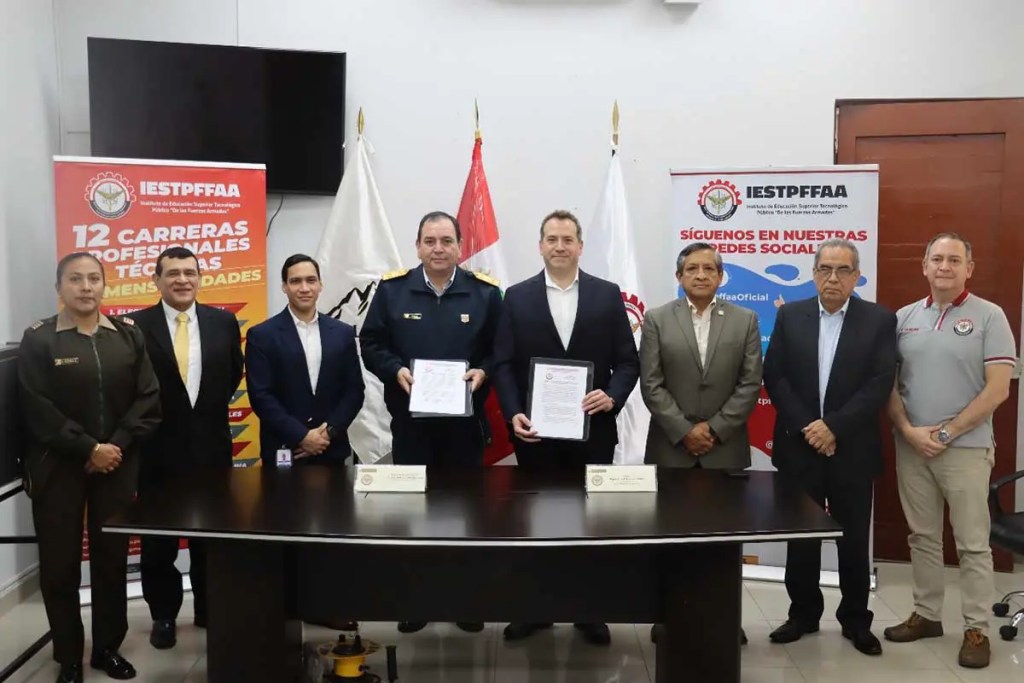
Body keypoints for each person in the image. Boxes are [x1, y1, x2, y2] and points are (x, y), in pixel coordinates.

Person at [493, 209, 640, 646]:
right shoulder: (516, 297)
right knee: (536, 522)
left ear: (580, 246)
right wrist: (513, 411)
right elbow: (502, 363)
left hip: (592, 430)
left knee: (589, 523)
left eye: (567, 239)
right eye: (551, 239)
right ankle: (534, 610)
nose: (559, 246)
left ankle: (588, 611)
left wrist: (612, 395)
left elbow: (629, 361)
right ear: (540, 245)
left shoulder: (607, 294)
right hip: (534, 433)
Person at [19, 253, 161, 682]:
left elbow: (148, 398)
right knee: (60, 564)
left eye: (94, 279)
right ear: (59, 287)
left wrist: (114, 446)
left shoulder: (127, 336)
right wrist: (87, 448)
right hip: (57, 466)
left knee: (111, 559)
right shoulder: (40, 340)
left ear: (105, 285)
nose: (86, 287)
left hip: (116, 463)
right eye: (76, 279)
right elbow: (36, 407)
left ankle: (106, 648)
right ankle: (69, 656)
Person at [359, 211, 502, 634]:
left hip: (464, 427)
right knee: (413, 512)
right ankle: (416, 600)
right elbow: (370, 342)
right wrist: (394, 370)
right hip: (412, 425)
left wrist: (484, 372)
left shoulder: (485, 293)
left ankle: (465, 601)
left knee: (465, 511)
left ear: (460, 246)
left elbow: (502, 348)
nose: (438, 248)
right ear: (417, 246)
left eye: (446, 240)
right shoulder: (392, 290)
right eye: (429, 241)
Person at [883, 233, 1016, 669]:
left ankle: (977, 628)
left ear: (968, 269)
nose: (944, 266)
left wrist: (945, 434)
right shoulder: (904, 317)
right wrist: (907, 429)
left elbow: (998, 389)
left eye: (954, 260)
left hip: (966, 449)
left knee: (973, 544)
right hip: (912, 446)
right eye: (936, 258)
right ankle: (926, 614)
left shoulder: (990, 317)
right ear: (923, 266)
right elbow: (890, 385)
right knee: (922, 537)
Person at [763, 239, 896, 657]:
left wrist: (833, 426)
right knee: (801, 538)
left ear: (857, 276)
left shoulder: (878, 321)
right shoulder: (790, 317)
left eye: (843, 270)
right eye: (825, 269)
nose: (833, 278)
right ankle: (802, 614)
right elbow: (775, 376)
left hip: (851, 449)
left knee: (852, 540)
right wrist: (810, 427)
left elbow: (879, 383)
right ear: (814, 273)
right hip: (800, 449)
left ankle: (855, 620)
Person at [639, 242, 761, 646]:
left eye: (710, 268)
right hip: (671, 447)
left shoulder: (744, 320)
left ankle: (725, 616)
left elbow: (749, 383)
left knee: (724, 542)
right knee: (672, 540)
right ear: (679, 277)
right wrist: (684, 430)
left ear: (721, 276)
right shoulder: (657, 319)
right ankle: (668, 616)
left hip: (723, 448)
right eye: (692, 268)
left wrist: (715, 429)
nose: (701, 275)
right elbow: (651, 384)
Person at [128, 247, 243, 650]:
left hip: (211, 448)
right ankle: (163, 616)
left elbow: (231, 374)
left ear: (200, 278)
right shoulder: (134, 327)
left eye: (189, 272)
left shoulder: (223, 322)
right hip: (157, 450)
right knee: (159, 541)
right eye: (172, 273)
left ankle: (209, 608)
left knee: (210, 537)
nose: (182, 280)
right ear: (156, 280)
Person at [246, 254, 365, 467]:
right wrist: (301, 436)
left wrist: (327, 434)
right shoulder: (261, 335)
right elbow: (261, 395)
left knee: (335, 502)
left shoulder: (343, 333)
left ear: (320, 285)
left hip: (331, 449)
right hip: (284, 449)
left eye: (311, 280)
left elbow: (354, 390)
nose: (304, 288)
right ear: (284, 287)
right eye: (295, 281)